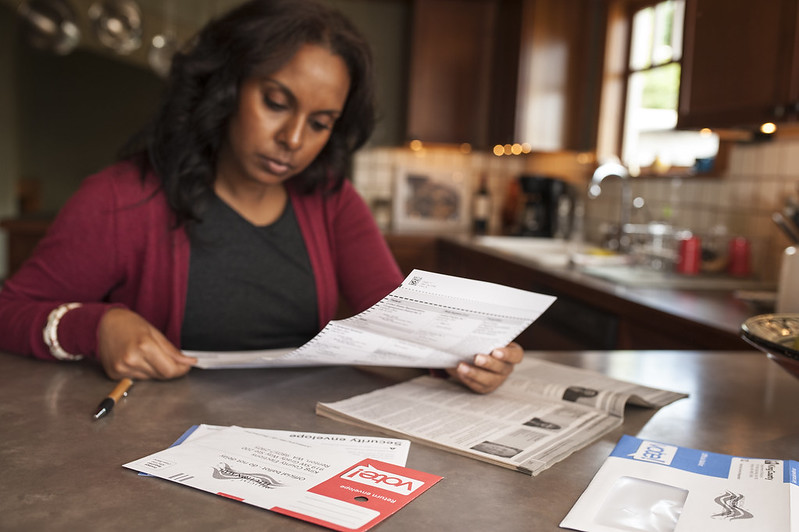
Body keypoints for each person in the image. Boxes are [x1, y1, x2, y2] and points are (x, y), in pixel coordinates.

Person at [0, 0, 522, 394]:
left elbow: (396, 327)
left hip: (302, 445)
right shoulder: (122, 199)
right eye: (276, 103)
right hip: (154, 445)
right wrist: (97, 325)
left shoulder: (332, 201)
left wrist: (458, 358)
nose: (294, 140)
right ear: (226, 87)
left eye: (320, 123)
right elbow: (9, 310)